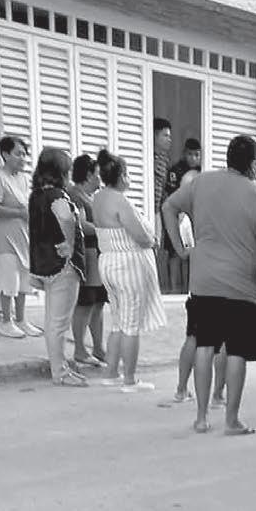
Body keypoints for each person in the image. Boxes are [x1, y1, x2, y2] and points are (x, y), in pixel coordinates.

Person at [163, 135, 256, 436]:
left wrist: (180, 249)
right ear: (253, 163)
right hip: (242, 285)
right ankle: (231, 420)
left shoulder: (201, 183)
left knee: (205, 345)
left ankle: (201, 418)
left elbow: (168, 207)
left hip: (204, 281)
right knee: (237, 351)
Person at [93, 150, 167, 393]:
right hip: (128, 263)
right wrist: (153, 240)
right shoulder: (120, 201)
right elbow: (141, 237)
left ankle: (111, 373)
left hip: (108, 261)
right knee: (131, 323)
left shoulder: (98, 198)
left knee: (118, 321)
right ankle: (130, 379)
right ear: (122, 175)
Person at [168, 169, 228, 408]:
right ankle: (217, 395)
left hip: (199, 282)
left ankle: (181, 389)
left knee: (193, 337)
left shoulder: (187, 219)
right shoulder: (218, 213)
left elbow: (186, 248)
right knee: (222, 342)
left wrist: (182, 251)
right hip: (223, 280)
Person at [28, 147, 87, 387]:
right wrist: (70, 244)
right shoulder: (57, 196)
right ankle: (60, 371)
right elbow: (65, 217)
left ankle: (59, 367)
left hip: (44, 263)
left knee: (52, 321)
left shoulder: (37, 195)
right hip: (62, 265)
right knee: (59, 323)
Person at [0, 136, 41, 339]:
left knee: (24, 281)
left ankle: (21, 319)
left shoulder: (24, 179)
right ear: (5, 154)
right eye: (18, 154)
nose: (22, 158)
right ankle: (6, 321)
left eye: (24, 154)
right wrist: (18, 213)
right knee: (9, 281)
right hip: (5, 239)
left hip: (24, 237)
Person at [66, 154, 107, 367]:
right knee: (85, 303)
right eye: (98, 174)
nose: (100, 179)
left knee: (98, 302)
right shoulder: (76, 195)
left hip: (98, 253)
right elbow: (81, 225)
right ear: (89, 175)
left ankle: (99, 347)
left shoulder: (92, 196)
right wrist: (107, 229)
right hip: (87, 253)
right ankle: (80, 349)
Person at [161, 137, 201, 293]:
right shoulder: (175, 171)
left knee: (192, 253)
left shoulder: (203, 171)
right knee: (175, 252)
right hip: (177, 215)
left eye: (197, 155)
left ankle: (188, 288)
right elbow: (169, 197)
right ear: (184, 153)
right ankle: (173, 288)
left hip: (195, 217)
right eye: (190, 154)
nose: (193, 158)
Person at [152, 117, 172, 290]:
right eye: (165, 136)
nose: (169, 140)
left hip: (157, 209)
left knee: (157, 247)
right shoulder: (146, 157)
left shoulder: (164, 160)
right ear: (155, 136)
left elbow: (164, 186)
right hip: (147, 207)